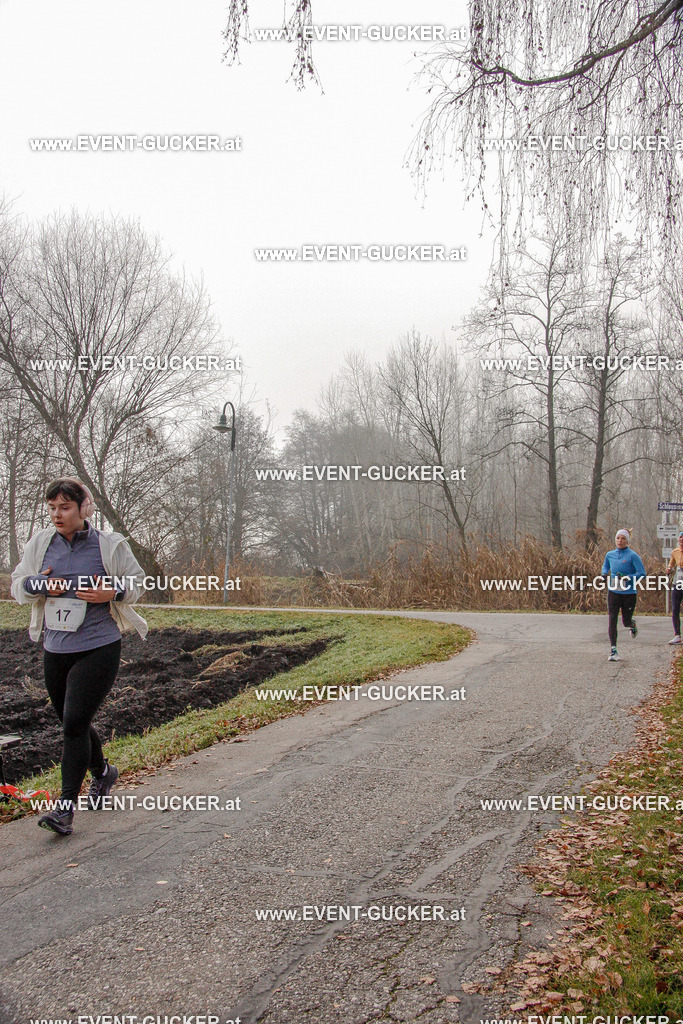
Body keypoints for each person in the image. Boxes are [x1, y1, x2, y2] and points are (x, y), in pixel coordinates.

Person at [11, 478, 148, 835]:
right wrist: (36, 585)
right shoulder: (41, 543)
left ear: (84, 508)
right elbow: (18, 583)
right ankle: (103, 772)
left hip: (98, 646)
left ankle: (64, 809)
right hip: (55, 648)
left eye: (65, 508)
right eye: (52, 508)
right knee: (75, 724)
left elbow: (138, 583)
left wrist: (112, 592)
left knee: (73, 723)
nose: (57, 515)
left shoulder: (109, 545)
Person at [601, 528, 646, 662]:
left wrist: (628, 577)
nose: (620, 541)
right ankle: (613, 649)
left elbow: (642, 573)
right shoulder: (610, 554)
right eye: (618, 538)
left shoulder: (632, 556)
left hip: (628, 593)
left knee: (625, 621)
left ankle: (632, 625)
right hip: (614, 591)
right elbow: (605, 566)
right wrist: (604, 574)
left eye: (623, 539)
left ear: (627, 541)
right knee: (612, 620)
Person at [666, 530, 683, 645]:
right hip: (678, 583)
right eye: (681, 538)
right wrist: (669, 569)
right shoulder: (675, 552)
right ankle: (677, 635)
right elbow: (671, 565)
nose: (682, 540)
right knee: (675, 609)